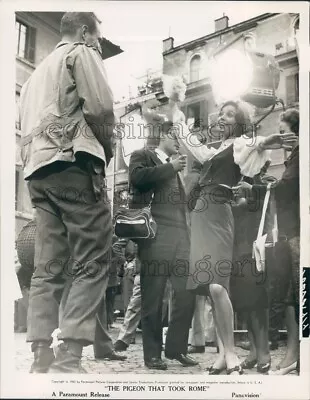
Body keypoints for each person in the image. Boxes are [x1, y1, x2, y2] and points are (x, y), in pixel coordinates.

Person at [19, 12, 115, 373]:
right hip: (74, 162)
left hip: (38, 173)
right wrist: (104, 150)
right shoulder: (80, 52)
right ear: (87, 31)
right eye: (98, 38)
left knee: (47, 264)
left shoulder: (33, 76)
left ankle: (40, 351)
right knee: (93, 257)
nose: (98, 44)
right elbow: (102, 108)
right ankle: (70, 354)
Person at [176, 100, 296, 375]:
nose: (223, 116)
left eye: (231, 114)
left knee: (218, 286)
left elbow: (257, 143)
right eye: (222, 112)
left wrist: (270, 140)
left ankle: (230, 353)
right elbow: (197, 148)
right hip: (202, 213)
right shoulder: (215, 148)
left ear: (239, 121)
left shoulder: (241, 142)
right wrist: (176, 114)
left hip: (218, 211)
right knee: (209, 288)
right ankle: (222, 355)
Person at [129, 121, 197, 370]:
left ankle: (176, 348)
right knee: (153, 297)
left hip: (181, 236)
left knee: (186, 293)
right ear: (164, 136)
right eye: (176, 137)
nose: (179, 142)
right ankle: (152, 354)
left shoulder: (175, 167)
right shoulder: (143, 155)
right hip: (156, 235)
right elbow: (137, 178)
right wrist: (170, 168)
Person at [237, 108, 300, 375]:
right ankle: (293, 354)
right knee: (290, 295)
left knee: (296, 294)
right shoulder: (294, 158)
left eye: (284, 132)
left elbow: (287, 187)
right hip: (289, 231)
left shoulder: (299, 156)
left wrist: (257, 189)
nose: (281, 139)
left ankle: (294, 354)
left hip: (295, 232)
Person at [230, 162, 276, 374]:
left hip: (255, 251)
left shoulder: (262, 184)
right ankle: (254, 351)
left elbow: (266, 201)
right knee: (245, 305)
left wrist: (249, 192)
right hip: (238, 252)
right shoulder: (236, 184)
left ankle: (264, 350)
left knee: (257, 304)